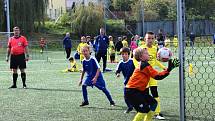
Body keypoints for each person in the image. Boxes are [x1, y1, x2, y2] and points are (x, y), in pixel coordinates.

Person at [125, 47, 179, 121]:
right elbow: (158, 76)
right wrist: (169, 69)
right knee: (143, 110)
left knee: (153, 103)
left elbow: (157, 75)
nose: (148, 54)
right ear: (141, 57)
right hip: (132, 91)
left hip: (140, 91)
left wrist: (169, 68)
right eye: (146, 53)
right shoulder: (144, 65)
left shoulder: (145, 64)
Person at [141, 31, 167, 120]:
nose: (150, 40)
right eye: (149, 38)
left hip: (152, 75)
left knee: (155, 93)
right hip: (144, 76)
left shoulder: (155, 48)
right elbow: (135, 61)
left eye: (152, 38)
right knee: (145, 94)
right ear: (145, 39)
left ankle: (157, 113)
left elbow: (155, 60)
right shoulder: (141, 49)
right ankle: (147, 111)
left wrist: (163, 67)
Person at [115, 47, 135, 113]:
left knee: (136, 96)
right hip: (127, 82)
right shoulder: (121, 63)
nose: (124, 55)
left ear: (128, 54)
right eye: (122, 54)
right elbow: (117, 70)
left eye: (125, 54)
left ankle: (140, 107)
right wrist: (118, 74)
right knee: (126, 96)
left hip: (135, 82)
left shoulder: (132, 61)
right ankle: (130, 107)